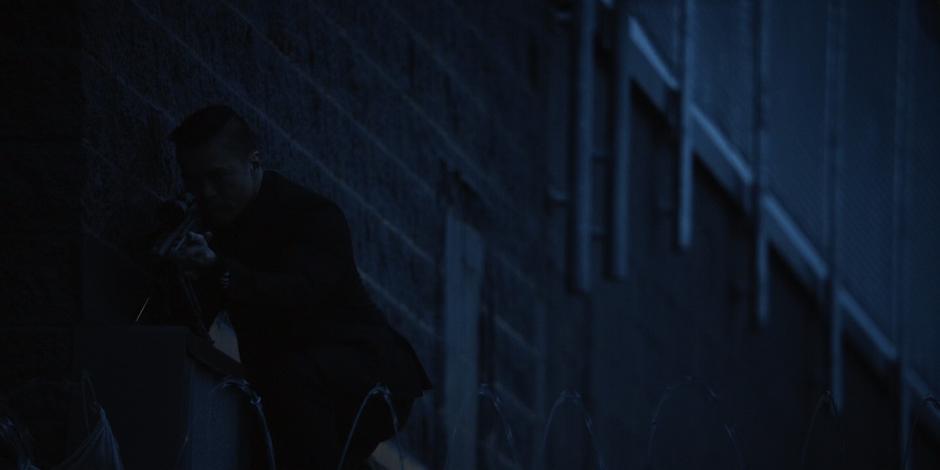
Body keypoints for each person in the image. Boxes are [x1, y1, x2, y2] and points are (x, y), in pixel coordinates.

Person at [164, 104, 432, 469]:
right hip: (300, 389)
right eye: (193, 181)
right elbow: (192, 324)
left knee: (292, 385)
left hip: (374, 378)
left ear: (254, 163)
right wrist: (173, 269)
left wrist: (218, 270)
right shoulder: (216, 230)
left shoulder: (312, 216)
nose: (205, 193)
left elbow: (297, 293)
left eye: (218, 177)